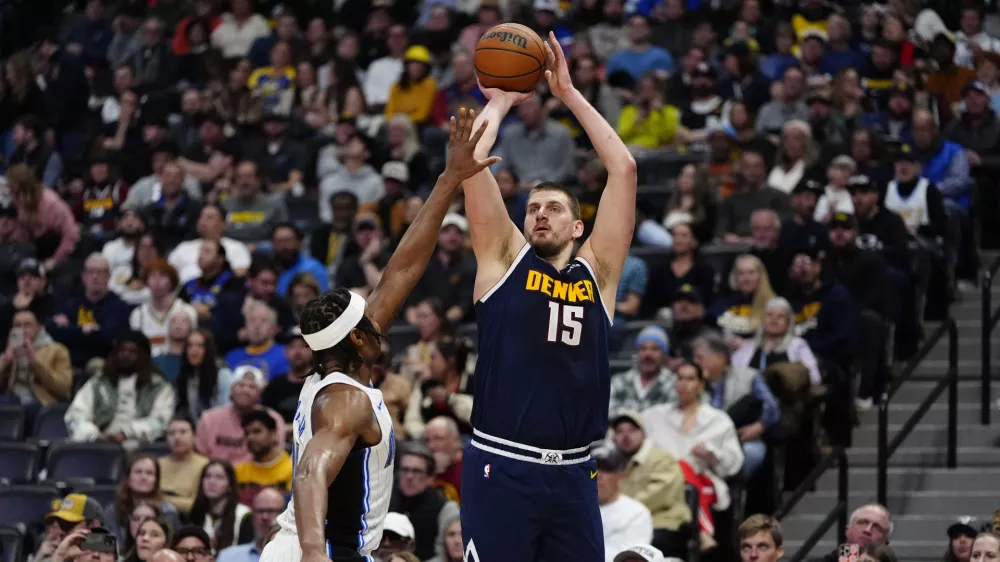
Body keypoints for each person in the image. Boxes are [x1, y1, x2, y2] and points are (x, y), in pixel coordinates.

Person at [259, 109, 503, 562]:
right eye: (368, 321)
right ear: (356, 339)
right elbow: (310, 472)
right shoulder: (344, 400)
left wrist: (449, 180)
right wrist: (313, 552)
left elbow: (402, 269)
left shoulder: (333, 369)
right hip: (322, 550)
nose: (379, 320)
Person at [459, 33, 637, 562]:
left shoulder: (598, 274)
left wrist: (568, 94)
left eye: (554, 208)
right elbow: (471, 162)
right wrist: (500, 101)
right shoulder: (503, 261)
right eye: (533, 208)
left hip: (575, 473)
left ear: (579, 227)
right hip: (502, 464)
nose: (540, 214)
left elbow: (624, 169)